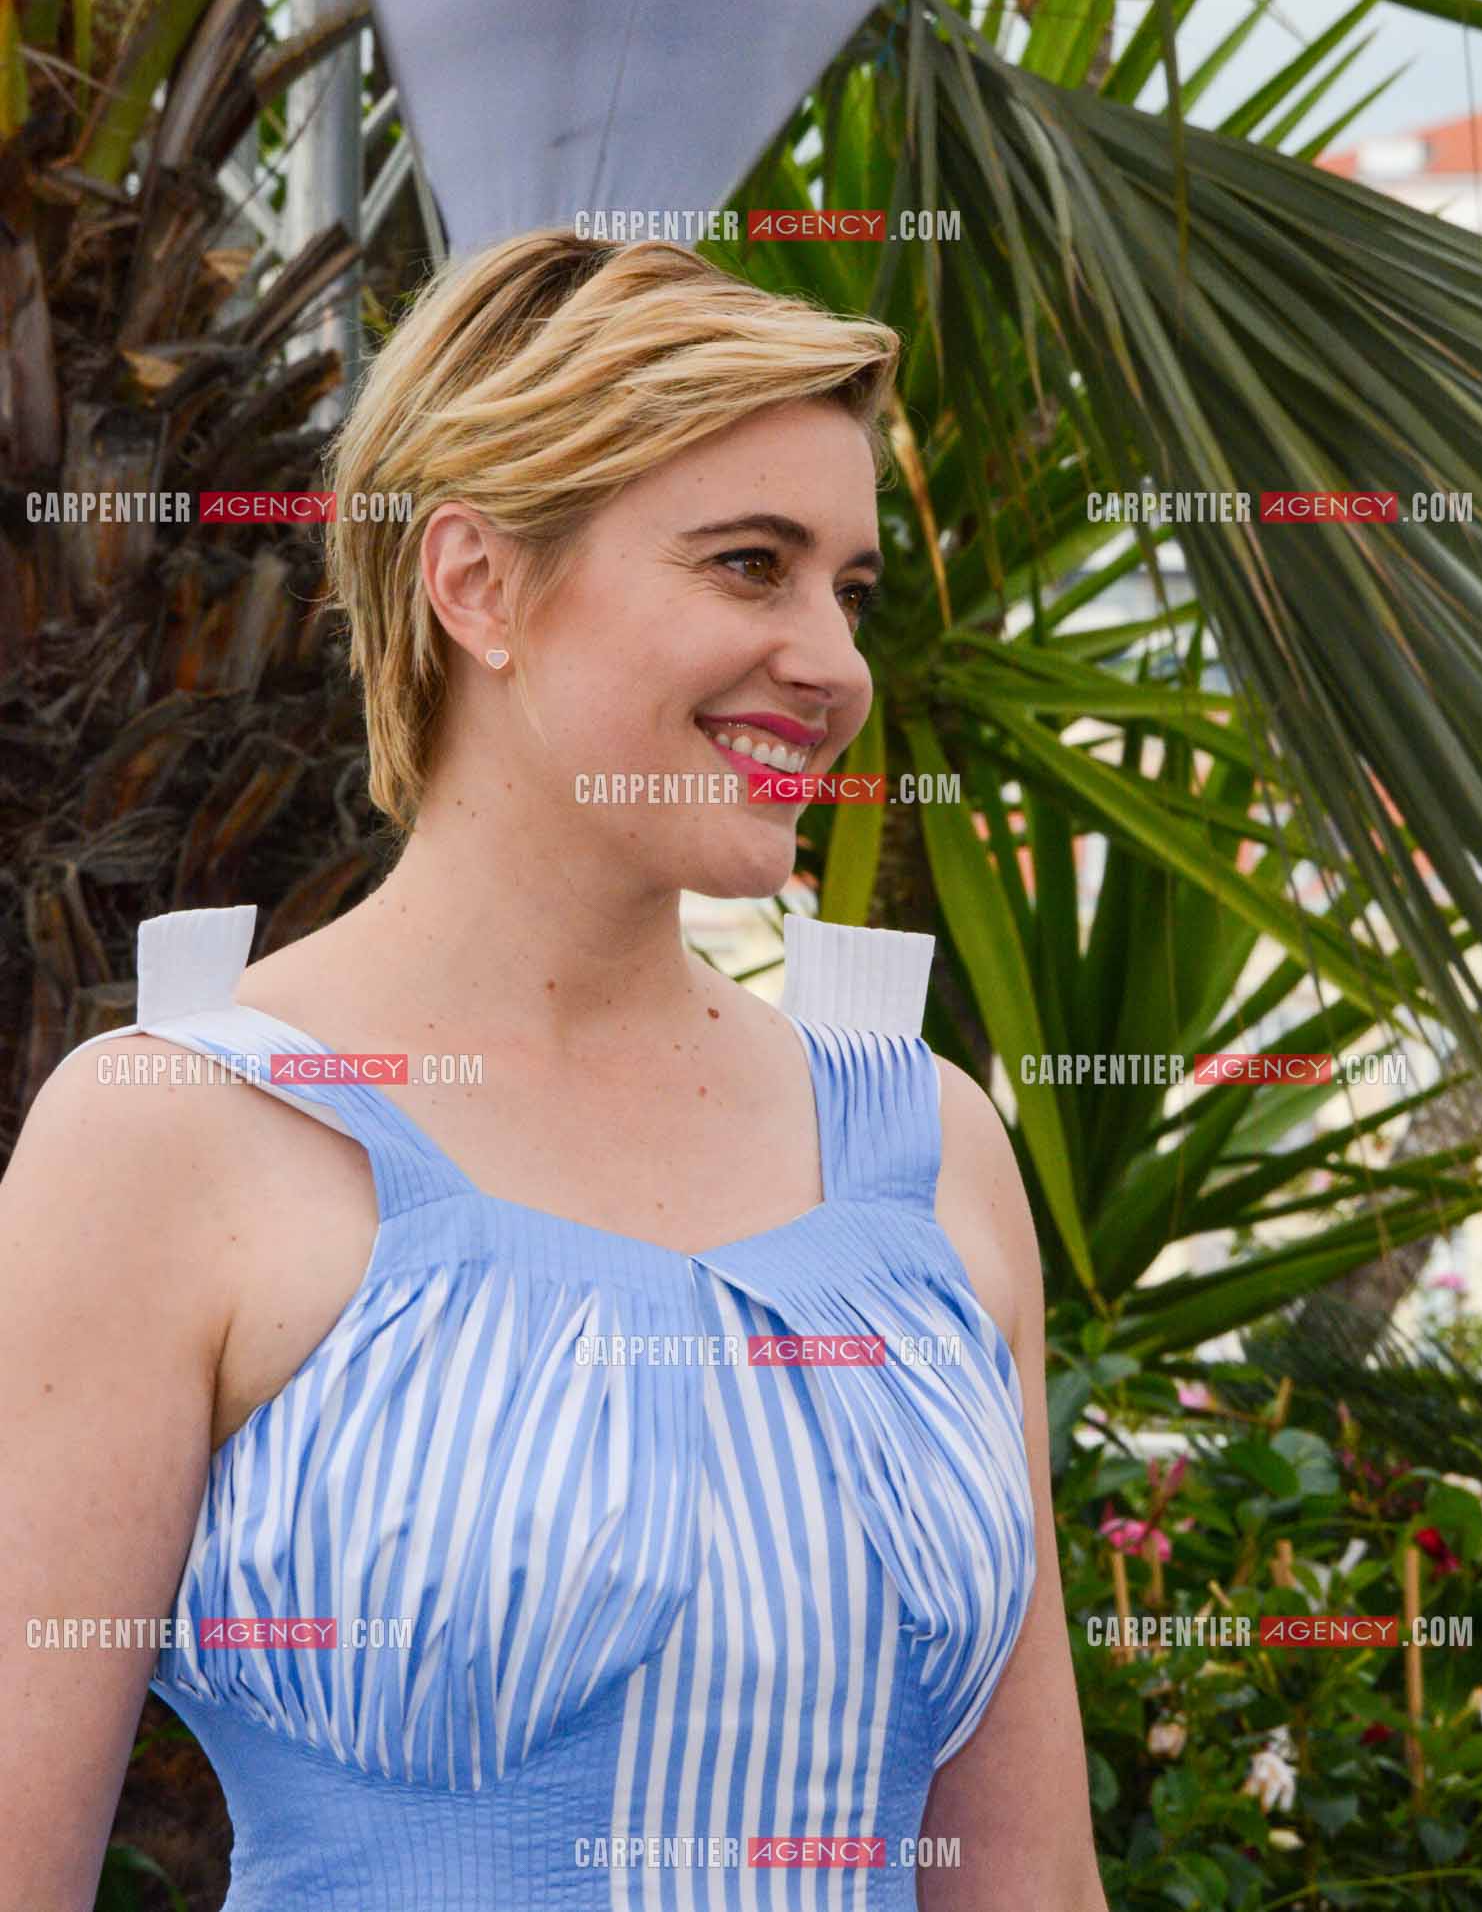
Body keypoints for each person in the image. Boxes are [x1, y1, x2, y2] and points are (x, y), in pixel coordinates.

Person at [1, 231, 1107, 1908]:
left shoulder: (929, 1145)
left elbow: (1027, 1886)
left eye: (850, 588)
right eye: (751, 563)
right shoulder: (178, 1138)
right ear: (478, 583)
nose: (836, 662)